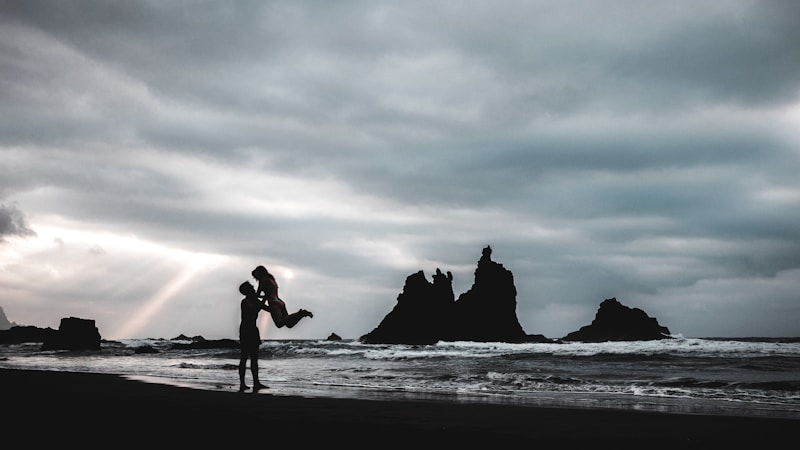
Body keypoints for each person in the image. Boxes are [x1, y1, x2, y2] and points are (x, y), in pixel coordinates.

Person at [237, 281, 270, 392]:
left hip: (253, 330)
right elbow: (255, 309)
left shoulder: (254, 299)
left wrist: (267, 298)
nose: (253, 288)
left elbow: (267, 309)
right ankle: (242, 383)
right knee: (244, 357)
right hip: (246, 331)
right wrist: (264, 298)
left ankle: (256, 382)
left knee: (254, 358)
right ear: (247, 291)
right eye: (251, 287)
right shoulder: (245, 301)